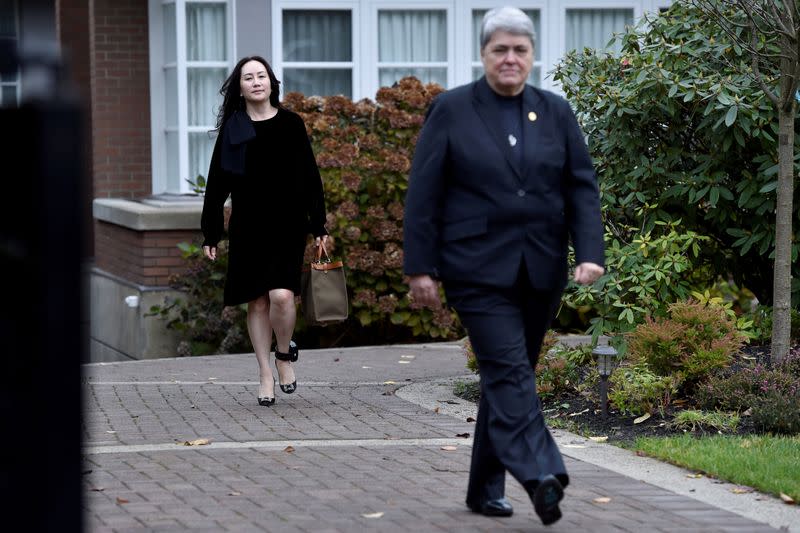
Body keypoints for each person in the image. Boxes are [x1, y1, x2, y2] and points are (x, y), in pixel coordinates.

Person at [403, 6, 605, 526]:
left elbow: (580, 185)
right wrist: (420, 268)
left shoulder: (555, 111)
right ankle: (542, 474)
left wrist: (589, 252)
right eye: (500, 50)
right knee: (511, 371)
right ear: (483, 55)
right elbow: (424, 192)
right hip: (475, 267)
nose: (510, 58)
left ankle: (483, 489)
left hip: (539, 268)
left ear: (532, 56)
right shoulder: (451, 110)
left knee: (508, 376)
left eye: (520, 50)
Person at [201, 56, 328, 407]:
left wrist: (319, 225)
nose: (256, 82)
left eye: (261, 76)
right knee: (256, 300)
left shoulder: (291, 124)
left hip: (288, 224)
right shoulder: (234, 128)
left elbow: (310, 178)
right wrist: (211, 232)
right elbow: (217, 185)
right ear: (240, 89)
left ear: (271, 83)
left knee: (282, 297)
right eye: (248, 77)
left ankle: (284, 354)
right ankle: (264, 372)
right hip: (248, 226)